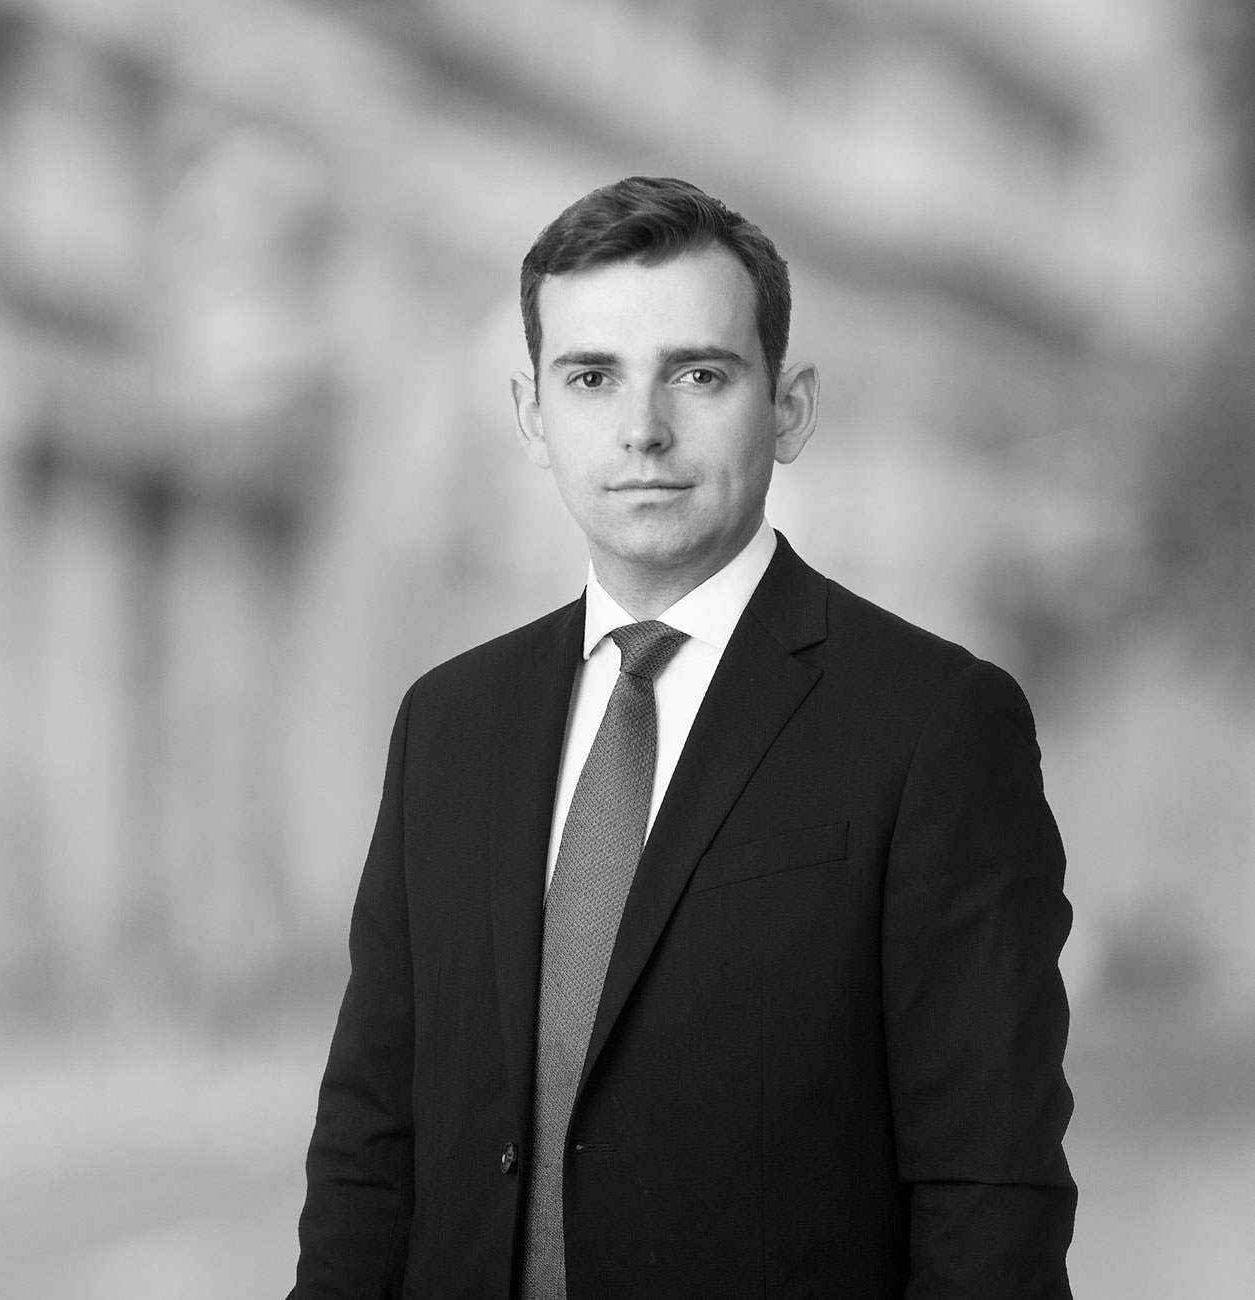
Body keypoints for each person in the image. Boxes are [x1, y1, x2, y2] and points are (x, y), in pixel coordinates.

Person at [292, 176, 1075, 1299]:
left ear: (787, 407)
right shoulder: (447, 724)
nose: (641, 430)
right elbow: (370, 1143)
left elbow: (988, 1191)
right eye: (591, 377)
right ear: (531, 415)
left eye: (697, 374)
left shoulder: (934, 723)